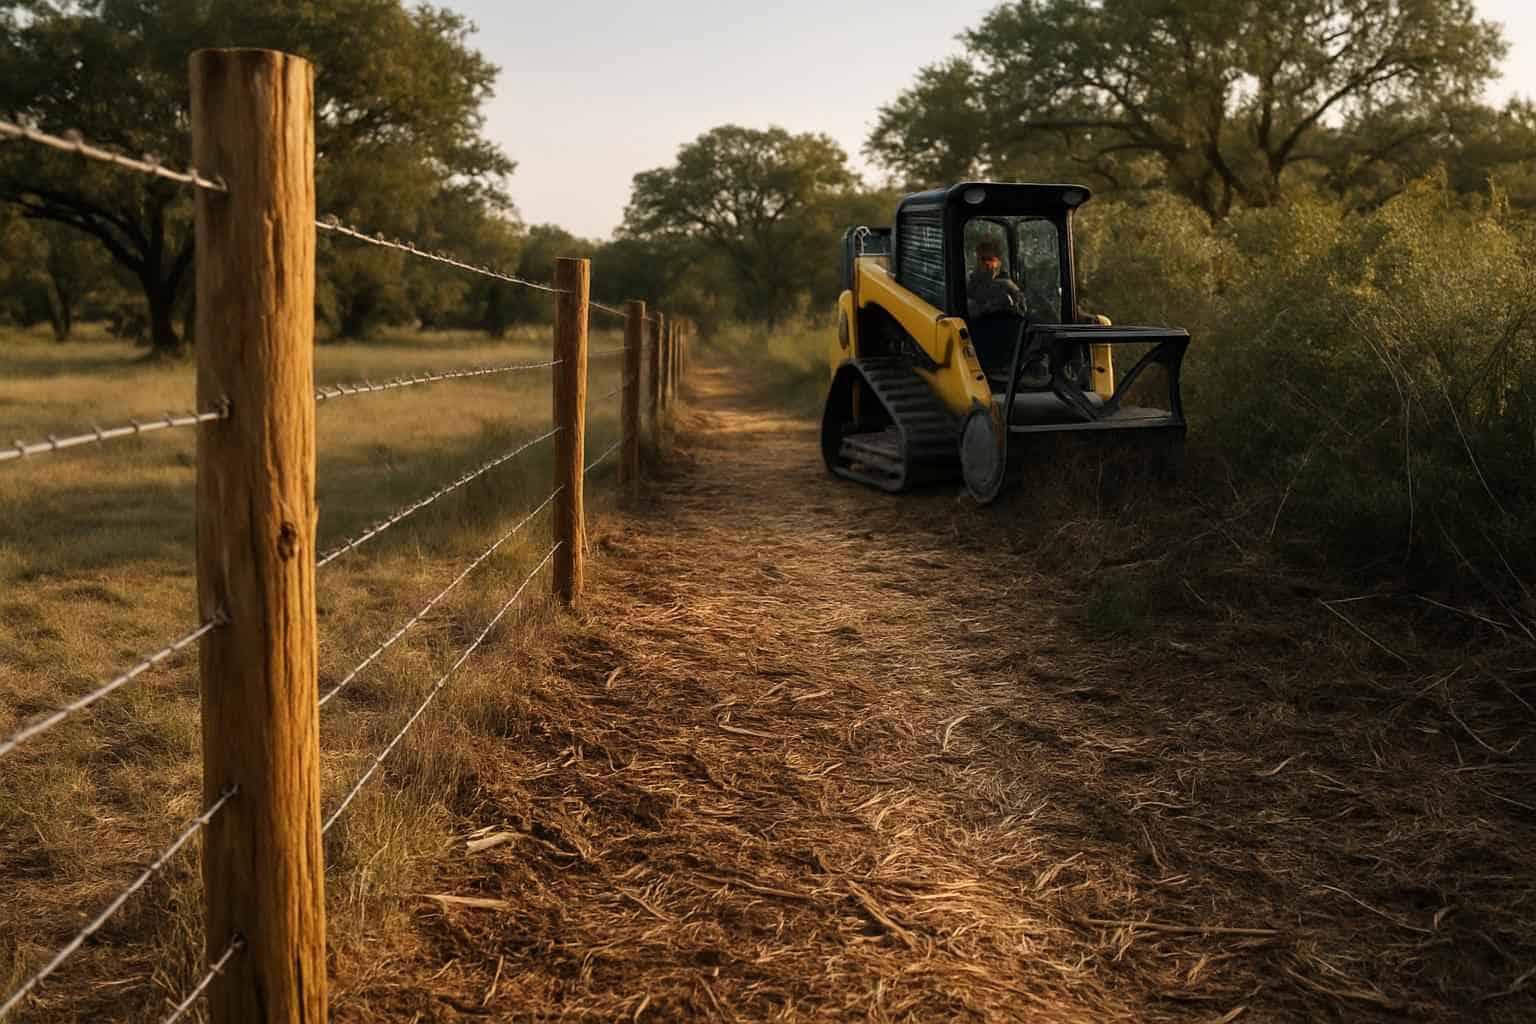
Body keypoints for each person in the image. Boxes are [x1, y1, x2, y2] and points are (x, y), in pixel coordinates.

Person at [967, 240, 1024, 319]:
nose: (987, 263)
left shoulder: (1007, 284)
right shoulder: (972, 284)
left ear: (999, 262)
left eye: (990, 259)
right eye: (983, 259)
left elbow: (1021, 311)